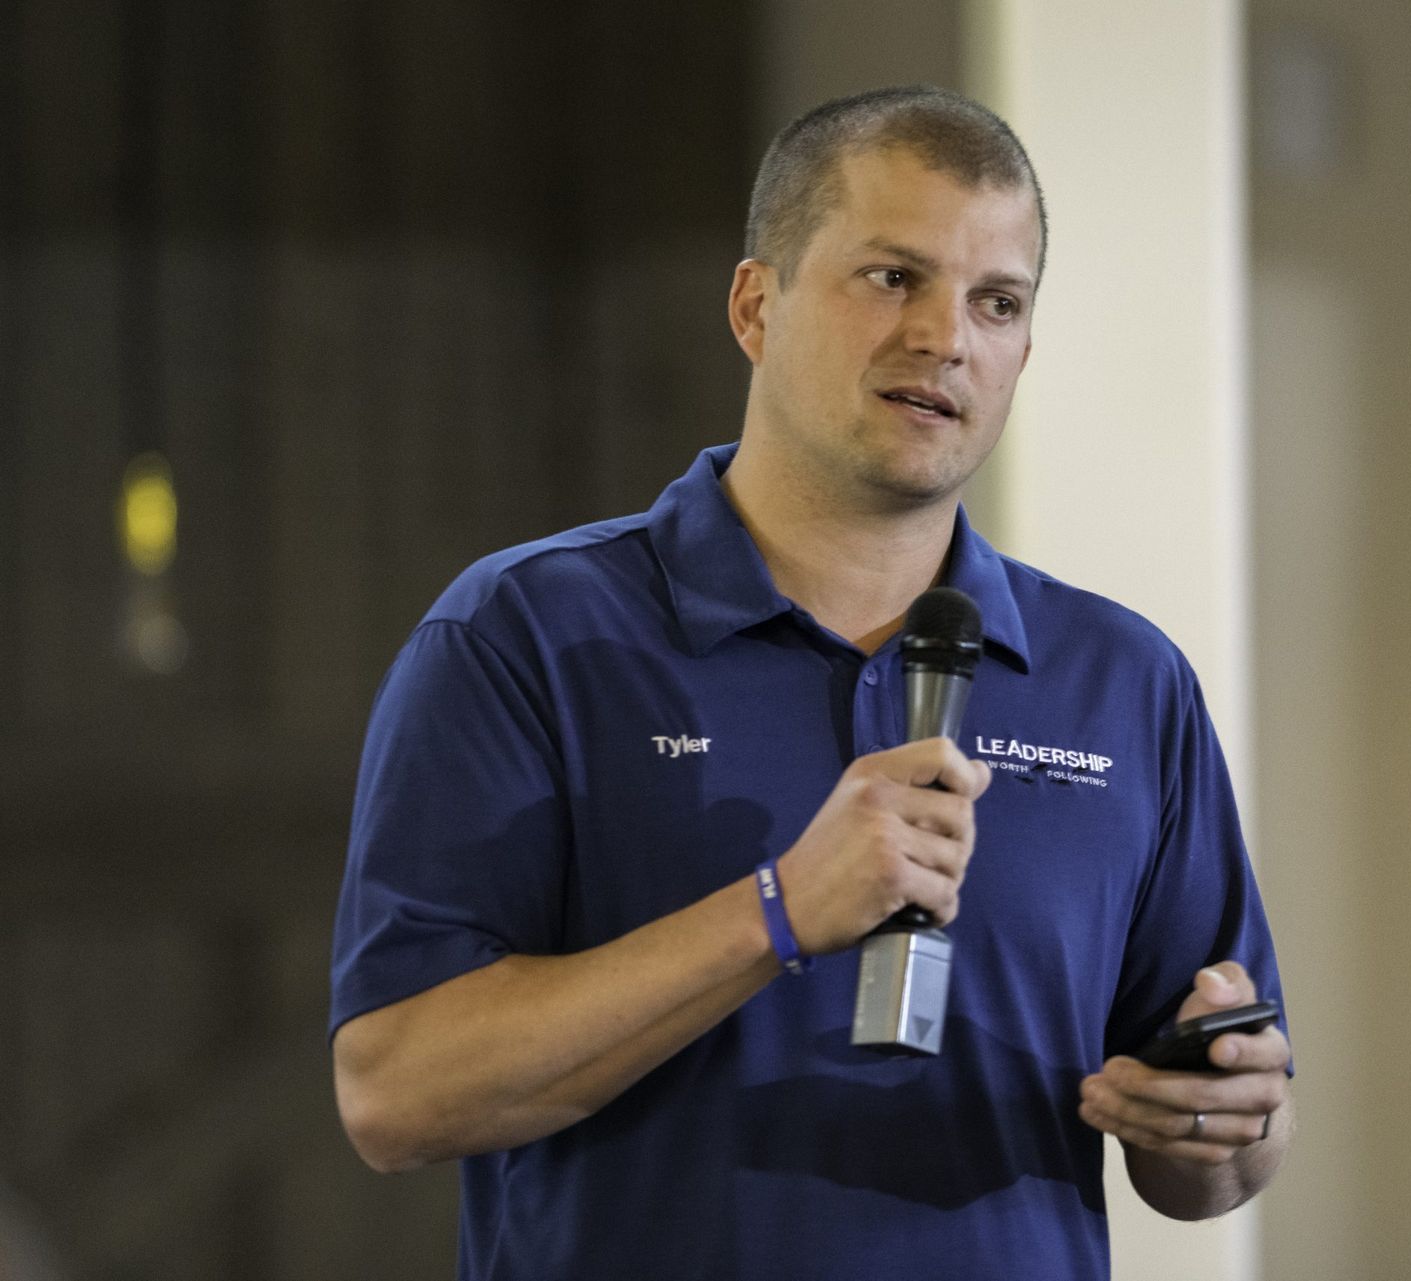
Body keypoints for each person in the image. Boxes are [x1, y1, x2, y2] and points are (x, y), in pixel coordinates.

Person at [330, 85, 1293, 1279]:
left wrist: (1228, 1121)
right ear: (756, 305)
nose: (945, 337)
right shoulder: (527, 634)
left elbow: (1216, 1157)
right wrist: (777, 912)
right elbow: (396, 1096)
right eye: (894, 277)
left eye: (996, 303)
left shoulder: (1123, 681)